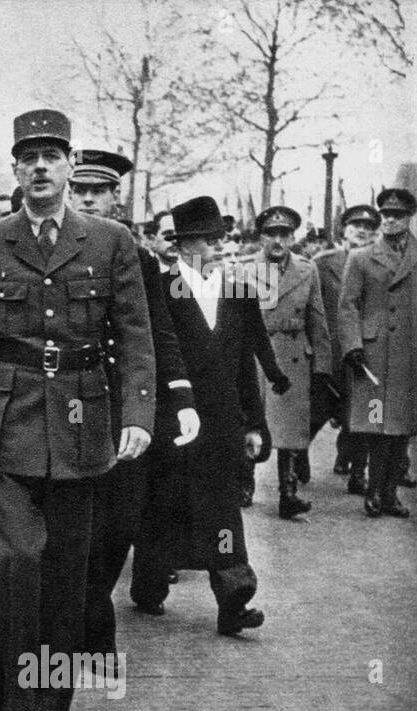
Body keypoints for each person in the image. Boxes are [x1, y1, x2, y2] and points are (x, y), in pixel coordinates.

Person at [0, 110, 156, 711]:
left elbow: (137, 334)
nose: (39, 167)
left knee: (68, 576)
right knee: (16, 563)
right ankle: (11, 710)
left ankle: (52, 703)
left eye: (51, 155)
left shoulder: (110, 241)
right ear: (15, 168)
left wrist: (138, 414)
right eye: (28, 155)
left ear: (67, 164)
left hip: (84, 429)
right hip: (3, 428)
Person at [67, 149, 197, 666]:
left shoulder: (135, 257)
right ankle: (82, 632)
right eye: (81, 190)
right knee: (70, 525)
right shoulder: (48, 250)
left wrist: (181, 397)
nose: (89, 199)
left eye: (99, 191)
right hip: (62, 405)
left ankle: (90, 622)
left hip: (122, 408)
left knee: (118, 523)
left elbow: (156, 333)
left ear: (116, 196)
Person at [131, 197, 270, 637]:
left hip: (224, 422)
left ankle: (234, 599)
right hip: (174, 419)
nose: (220, 246)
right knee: (163, 505)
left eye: (221, 238)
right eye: (211, 240)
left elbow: (246, 362)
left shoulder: (237, 292)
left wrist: (253, 423)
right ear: (187, 244)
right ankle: (149, 584)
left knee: (223, 509)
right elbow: (153, 356)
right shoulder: (162, 289)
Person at [338, 188, 417, 518]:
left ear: (408, 219)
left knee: (399, 427)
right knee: (375, 423)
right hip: (372, 354)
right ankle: (373, 491)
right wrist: (353, 345)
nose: (388, 220)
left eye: (397, 215)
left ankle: (391, 494)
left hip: (404, 354)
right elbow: (348, 306)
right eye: (385, 214)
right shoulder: (361, 257)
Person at [250, 205, 331, 518]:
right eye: (272, 234)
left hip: (295, 354)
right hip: (258, 353)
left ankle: (289, 492)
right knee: (253, 419)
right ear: (262, 237)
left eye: (285, 234)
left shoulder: (307, 269)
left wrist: (322, 364)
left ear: (293, 237)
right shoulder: (244, 270)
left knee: (293, 429)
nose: (278, 240)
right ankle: (246, 483)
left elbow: (317, 317)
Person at [315, 204, 379, 492]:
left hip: (363, 351)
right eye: (356, 226)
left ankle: (357, 473)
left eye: (368, 227)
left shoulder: (378, 266)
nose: (362, 231)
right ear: (344, 230)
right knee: (317, 411)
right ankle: (296, 458)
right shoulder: (322, 263)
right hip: (329, 350)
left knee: (362, 411)